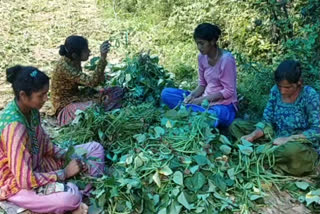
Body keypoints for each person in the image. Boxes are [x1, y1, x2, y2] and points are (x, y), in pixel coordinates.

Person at [0, 65, 105, 214]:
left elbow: (45, 144)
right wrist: (64, 173)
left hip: (39, 164)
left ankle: (82, 194)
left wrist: (68, 155)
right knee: (70, 197)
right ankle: (74, 197)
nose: (45, 99)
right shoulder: (14, 128)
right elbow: (25, 179)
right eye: (41, 95)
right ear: (23, 95)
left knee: (95, 149)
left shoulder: (32, 111)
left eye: (46, 94)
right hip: (16, 183)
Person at [230, 60, 320, 176]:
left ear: (298, 83)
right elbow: (267, 120)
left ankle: (259, 158)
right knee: (236, 126)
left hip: (299, 145)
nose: (282, 91)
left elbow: (317, 130)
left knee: (292, 152)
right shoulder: (275, 91)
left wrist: (288, 139)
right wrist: (253, 135)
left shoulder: (309, 95)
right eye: (279, 86)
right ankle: (265, 158)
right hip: (275, 137)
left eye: (287, 88)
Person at [161, 23, 238, 128]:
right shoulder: (201, 57)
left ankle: (196, 114)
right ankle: (196, 114)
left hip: (223, 105)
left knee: (214, 114)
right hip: (203, 101)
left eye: (202, 43)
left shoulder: (226, 59)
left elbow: (229, 91)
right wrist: (191, 96)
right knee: (166, 93)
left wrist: (201, 100)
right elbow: (202, 84)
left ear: (212, 41)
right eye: (197, 43)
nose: (199, 47)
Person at [50, 35, 110, 126]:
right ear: (75, 55)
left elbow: (87, 82)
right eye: (86, 50)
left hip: (76, 96)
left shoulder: (73, 59)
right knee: (93, 109)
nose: (89, 52)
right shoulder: (66, 67)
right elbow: (92, 82)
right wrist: (102, 58)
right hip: (65, 105)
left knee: (113, 91)